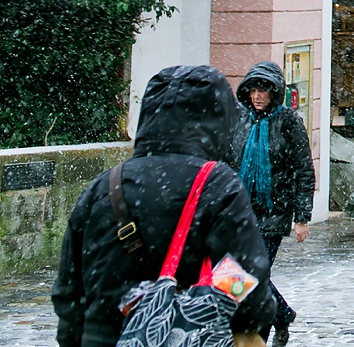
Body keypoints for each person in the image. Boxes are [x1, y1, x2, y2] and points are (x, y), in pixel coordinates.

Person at [54, 64, 276, 346]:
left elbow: (69, 290)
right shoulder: (218, 185)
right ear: (219, 119)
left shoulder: (104, 186)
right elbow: (245, 279)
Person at [236, 61, 314, 347]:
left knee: (256, 275)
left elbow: (303, 170)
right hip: (241, 212)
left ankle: (264, 329)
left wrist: (302, 217)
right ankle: (281, 314)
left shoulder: (289, 121)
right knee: (240, 275)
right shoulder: (241, 119)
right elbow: (229, 162)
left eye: (263, 91)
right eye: (253, 90)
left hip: (274, 211)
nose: (257, 96)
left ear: (274, 93)